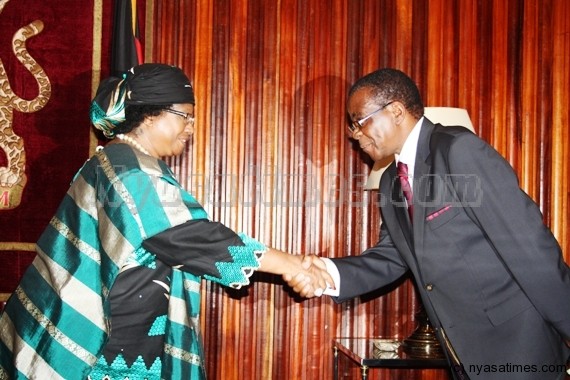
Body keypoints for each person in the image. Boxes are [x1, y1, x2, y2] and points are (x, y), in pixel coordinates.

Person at [0, 63, 331, 380]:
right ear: (148, 115)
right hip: (107, 347)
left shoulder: (117, 161)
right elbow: (189, 237)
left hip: (123, 330)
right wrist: (292, 265)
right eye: (184, 116)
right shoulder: (128, 168)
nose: (191, 127)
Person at [285, 68, 570, 379]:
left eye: (359, 121)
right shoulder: (392, 181)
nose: (355, 134)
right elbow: (391, 256)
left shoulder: (458, 151)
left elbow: (529, 248)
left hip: (519, 349)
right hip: (463, 355)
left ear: (395, 110)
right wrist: (327, 273)